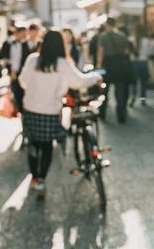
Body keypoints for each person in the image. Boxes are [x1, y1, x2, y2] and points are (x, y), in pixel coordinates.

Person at [18, 30, 102, 196]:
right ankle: (41, 178)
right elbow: (79, 82)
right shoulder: (63, 63)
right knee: (47, 146)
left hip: (30, 109)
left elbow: (22, 82)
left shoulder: (33, 59)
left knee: (33, 144)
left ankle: (35, 177)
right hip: (50, 111)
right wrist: (96, 76)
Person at [97, 17, 133, 123]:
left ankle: (102, 112)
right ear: (115, 24)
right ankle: (120, 114)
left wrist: (99, 65)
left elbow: (100, 51)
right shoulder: (122, 36)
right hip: (119, 64)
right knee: (120, 91)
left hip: (108, 64)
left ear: (106, 24)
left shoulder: (103, 36)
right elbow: (126, 51)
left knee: (105, 90)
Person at [129, 24, 153, 107]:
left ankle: (133, 98)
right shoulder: (147, 41)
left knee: (134, 83)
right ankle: (142, 99)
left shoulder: (131, 40)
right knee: (143, 82)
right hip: (143, 63)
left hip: (134, 63)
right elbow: (149, 53)